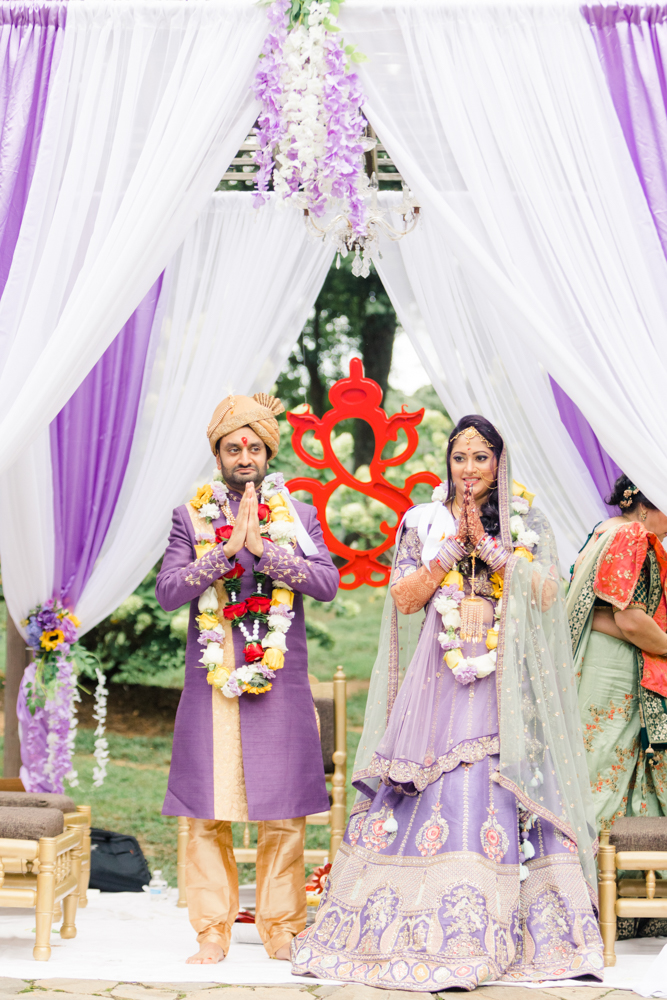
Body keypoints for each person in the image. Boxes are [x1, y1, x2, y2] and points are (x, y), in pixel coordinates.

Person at [292, 415, 603, 989]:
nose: (469, 470)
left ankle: (518, 934)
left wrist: (489, 547)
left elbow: (549, 593)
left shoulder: (526, 520)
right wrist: (449, 552)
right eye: (460, 457)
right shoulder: (423, 521)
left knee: (498, 785)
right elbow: (406, 600)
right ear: (447, 463)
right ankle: (424, 932)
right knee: (442, 789)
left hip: (507, 682)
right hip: (439, 681)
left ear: (499, 463)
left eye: (481, 458)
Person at [156, 392, 339, 965]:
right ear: (218, 455)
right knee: (209, 809)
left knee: (282, 810)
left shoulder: (299, 515)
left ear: (267, 453)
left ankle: (280, 926)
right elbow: (168, 593)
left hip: (278, 681)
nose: (243, 455)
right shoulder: (190, 518)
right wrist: (225, 552)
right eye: (233, 447)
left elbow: (326, 583)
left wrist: (264, 549)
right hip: (213, 682)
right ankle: (212, 929)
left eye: (253, 447)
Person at [567, 474, 667, 835]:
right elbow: (629, 618)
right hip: (612, 669)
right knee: (605, 769)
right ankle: (591, 878)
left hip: (596, 659)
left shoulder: (603, 530)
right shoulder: (632, 535)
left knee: (592, 763)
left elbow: (600, 612)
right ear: (646, 505)